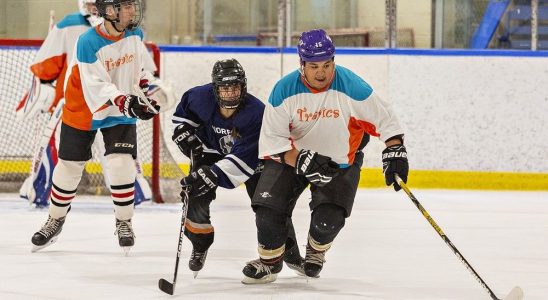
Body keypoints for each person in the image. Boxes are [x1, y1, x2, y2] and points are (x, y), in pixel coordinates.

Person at [241, 29, 408, 284]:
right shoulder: (283, 90)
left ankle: (315, 251)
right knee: (267, 212)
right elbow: (273, 140)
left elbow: (385, 120)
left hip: (339, 162)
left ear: (333, 61)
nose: (322, 73)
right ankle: (269, 262)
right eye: (314, 66)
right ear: (302, 65)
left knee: (328, 222)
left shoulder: (352, 86)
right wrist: (300, 159)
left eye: (327, 65)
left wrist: (394, 149)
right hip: (291, 159)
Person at [30, 0, 160, 254]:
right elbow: (96, 85)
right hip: (82, 106)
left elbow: (140, 69)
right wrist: (125, 101)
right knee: (69, 167)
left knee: (121, 164)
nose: (133, 10)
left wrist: (145, 90)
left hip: (118, 106)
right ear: (109, 11)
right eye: (126, 6)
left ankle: (124, 222)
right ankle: (55, 219)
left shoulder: (135, 34)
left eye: (133, 5)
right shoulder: (87, 41)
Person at [171, 58, 304, 278]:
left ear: (243, 86)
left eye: (235, 87)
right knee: (195, 194)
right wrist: (183, 133)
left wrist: (211, 174)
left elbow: (243, 158)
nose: (231, 93)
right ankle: (201, 242)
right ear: (215, 89)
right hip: (210, 152)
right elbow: (182, 119)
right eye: (225, 88)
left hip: (252, 159)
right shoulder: (198, 97)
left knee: (267, 204)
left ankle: (288, 253)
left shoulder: (256, 112)